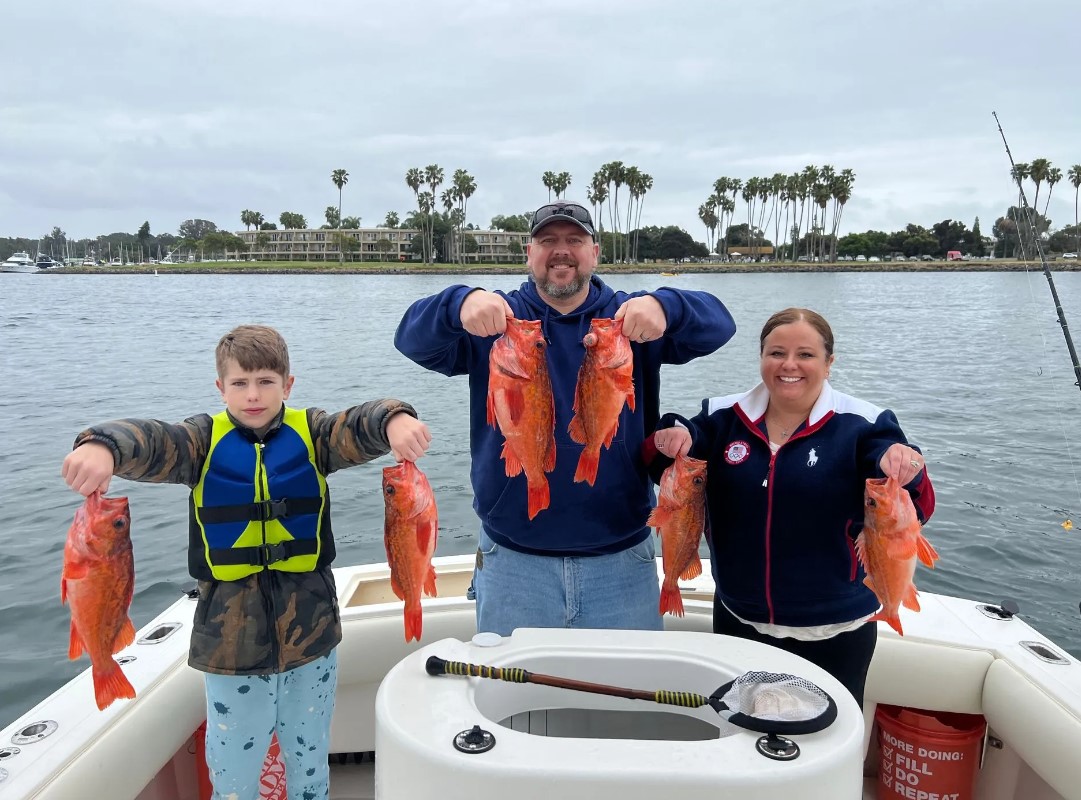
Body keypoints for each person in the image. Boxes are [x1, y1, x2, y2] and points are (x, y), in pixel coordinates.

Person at [60, 324, 431, 800]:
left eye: (265, 382)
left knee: (309, 757)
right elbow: (150, 441)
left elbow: (359, 425)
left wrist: (394, 418)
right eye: (239, 384)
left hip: (312, 634)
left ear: (288, 385)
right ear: (221, 388)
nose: (253, 395)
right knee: (234, 767)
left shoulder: (315, 435)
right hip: (228, 643)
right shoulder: (198, 443)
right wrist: (101, 444)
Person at [394, 201, 736, 635]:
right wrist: (459, 303)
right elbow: (410, 338)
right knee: (513, 703)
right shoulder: (497, 323)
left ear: (595, 251)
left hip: (622, 562)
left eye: (574, 240)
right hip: (513, 561)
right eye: (548, 241)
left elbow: (720, 325)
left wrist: (666, 306)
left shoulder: (627, 321)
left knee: (621, 698)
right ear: (529, 252)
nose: (561, 251)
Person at [646, 307, 935, 707]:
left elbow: (914, 501)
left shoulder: (865, 424)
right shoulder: (722, 416)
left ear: (829, 363)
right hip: (739, 618)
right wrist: (671, 432)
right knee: (741, 733)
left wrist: (908, 463)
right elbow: (674, 452)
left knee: (825, 740)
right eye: (777, 352)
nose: (790, 365)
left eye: (806, 354)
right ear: (762, 358)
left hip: (837, 628)